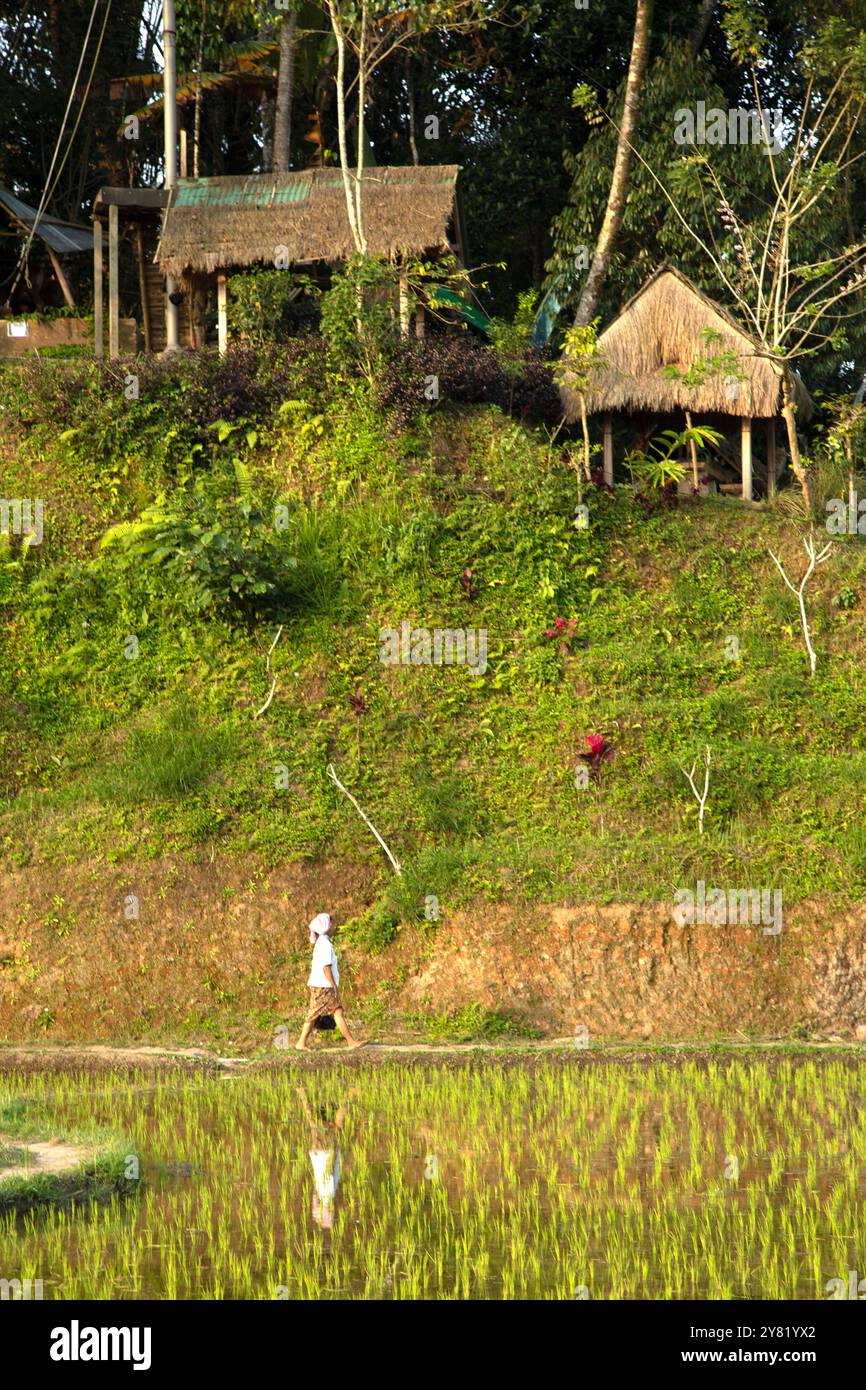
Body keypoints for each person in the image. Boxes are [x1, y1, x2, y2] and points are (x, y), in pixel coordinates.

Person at [295, 912, 365, 1051]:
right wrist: (333, 985)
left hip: (319, 984)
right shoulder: (325, 944)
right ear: (326, 926)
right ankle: (350, 1042)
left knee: (323, 1012)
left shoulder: (322, 942)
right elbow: (326, 967)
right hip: (324, 986)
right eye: (331, 924)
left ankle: (301, 1043)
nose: (334, 927)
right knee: (330, 1012)